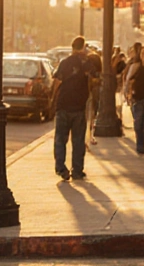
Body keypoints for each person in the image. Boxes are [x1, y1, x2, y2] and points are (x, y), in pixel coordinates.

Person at [51, 36, 96, 180]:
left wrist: (53, 99)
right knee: (78, 140)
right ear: (83, 47)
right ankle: (77, 170)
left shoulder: (64, 63)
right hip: (78, 106)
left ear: (72, 47)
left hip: (63, 104)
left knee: (60, 139)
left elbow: (57, 81)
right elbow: (94, 78)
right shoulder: (86, 63)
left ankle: (61, 168)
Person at [84, 47, 102, 146]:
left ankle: (85, 138)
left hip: (85, 96)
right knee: (92, 116)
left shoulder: (86, 72)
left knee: (85, 117)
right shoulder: (98, 75)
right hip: (93, 96)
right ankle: (90, 136)